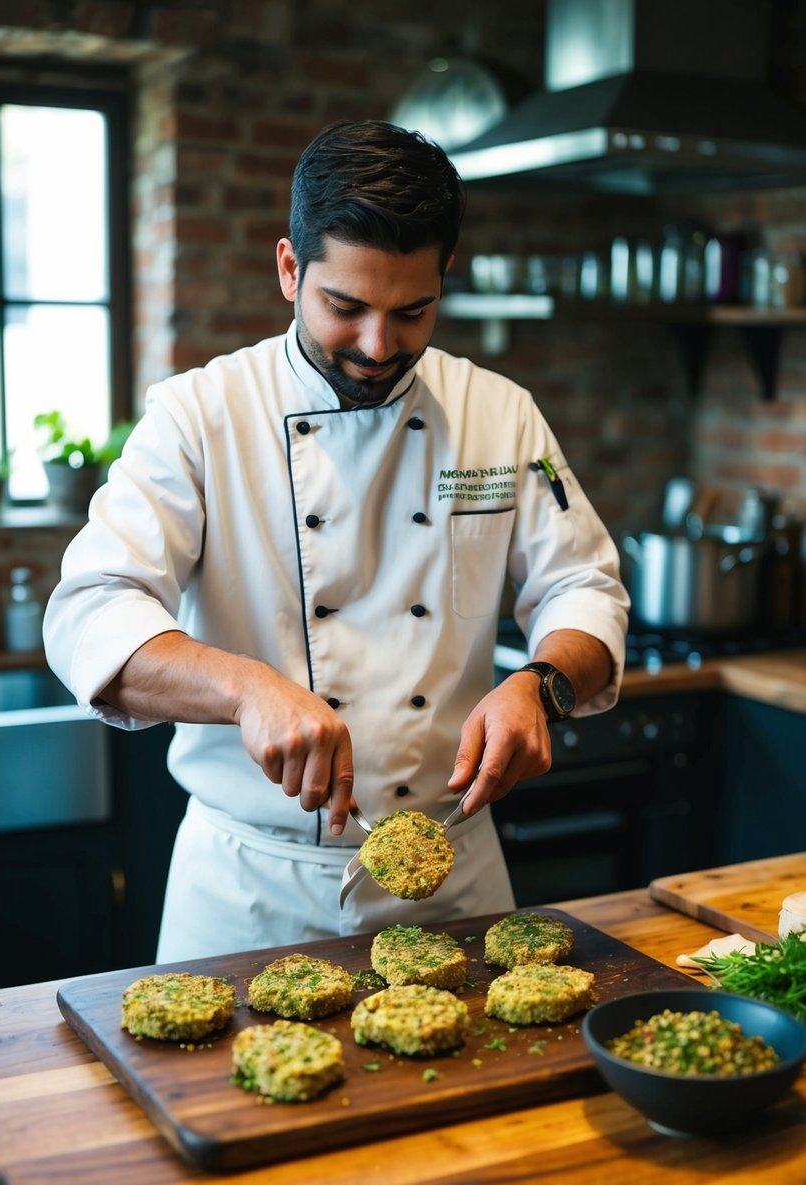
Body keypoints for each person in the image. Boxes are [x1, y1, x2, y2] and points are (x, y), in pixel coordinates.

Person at [43, 119, 629, 962]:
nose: (376, 346)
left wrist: (540, 684)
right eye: (344, 307)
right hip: (249, 893)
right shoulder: (199, 415)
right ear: (289, 269)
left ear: (444, 278)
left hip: (454, 881)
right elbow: (90, 614)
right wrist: (245, 688)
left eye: (411, 311)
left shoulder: (499, 414)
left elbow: (584, 586)